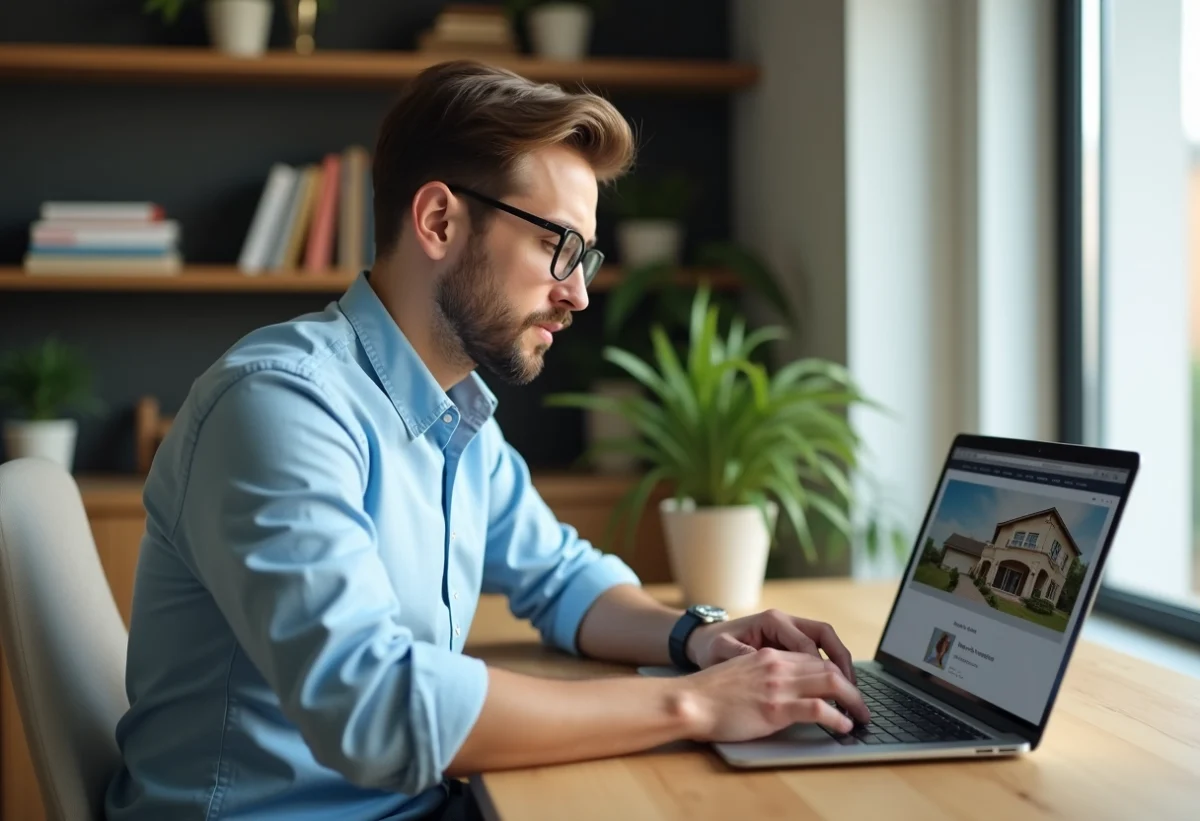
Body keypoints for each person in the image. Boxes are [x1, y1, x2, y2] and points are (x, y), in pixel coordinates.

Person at [104, 60, 870, 821]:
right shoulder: (281, 406)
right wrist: (693, 705)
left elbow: (562, 576)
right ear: (439, 221)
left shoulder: (457, 414)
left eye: (586, 258)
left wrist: (698, 638)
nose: (578, 292)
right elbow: (376, 707)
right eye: (558, 247)